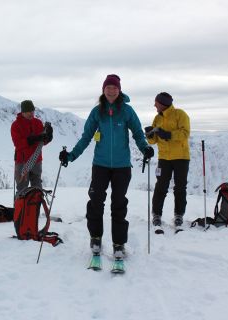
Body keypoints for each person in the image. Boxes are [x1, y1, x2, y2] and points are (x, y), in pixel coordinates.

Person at [59, 74, 154, 258]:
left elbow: (137, 133)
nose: (111, 91)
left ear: (119, 90)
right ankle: (95, 238)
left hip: (122, 166)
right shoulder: (97, 111)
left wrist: (145, 149)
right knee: (95, 203)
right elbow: (86, 137)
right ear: (103, 90)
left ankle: (119, 244)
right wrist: (70, 156)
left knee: (118, 205)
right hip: (100, 165)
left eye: (114, 88)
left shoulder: (127, 111)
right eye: (108, 87)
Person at [144, 92, 190, 233]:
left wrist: (169, 134)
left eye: (156, 103)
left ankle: (178, 216)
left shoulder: (180, 114)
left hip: (181, 157)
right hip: (164, 158)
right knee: (161, 187)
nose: (154, 105)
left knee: (180, 187)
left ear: (162, 103)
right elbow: (153, 141)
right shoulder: (157, 118)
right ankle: (156, 215)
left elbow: (185, 133)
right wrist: (150, 135)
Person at [11, 100, 53, 197]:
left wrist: (48, 137)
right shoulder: (16, 125)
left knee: (37, 189)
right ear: (23, 112)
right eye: (28, 111)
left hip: (36, 161)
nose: (31, 113)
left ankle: (35, 211)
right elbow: (17, 143)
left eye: (32, 111)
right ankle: (20, 211)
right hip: (22, 162)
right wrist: (32, 139)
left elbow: (42, 141)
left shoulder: (38, 123)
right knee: (22, 190)